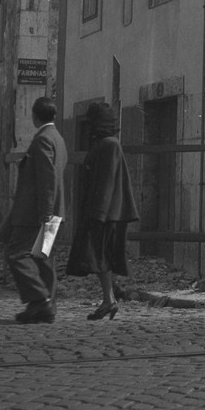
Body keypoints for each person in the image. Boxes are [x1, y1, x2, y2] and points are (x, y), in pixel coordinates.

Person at [66, 102, 139, 321]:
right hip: (103, 211)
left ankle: (109, 298)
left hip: (106, 213)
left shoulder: (109, 145)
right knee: (98, 256)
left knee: (99, 255)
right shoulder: (104, 144)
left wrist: (97, 213)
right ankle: (109, 298)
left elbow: (107, 181)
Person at [2, 96, 68, 324]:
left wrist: (44, 213)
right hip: (51, 211)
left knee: (17, 253)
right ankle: (45, 306)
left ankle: (40, 299)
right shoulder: (58, 138)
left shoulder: (42, 140)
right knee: (43, 258)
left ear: (35, 116)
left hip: (36, 213)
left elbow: (47, 178)